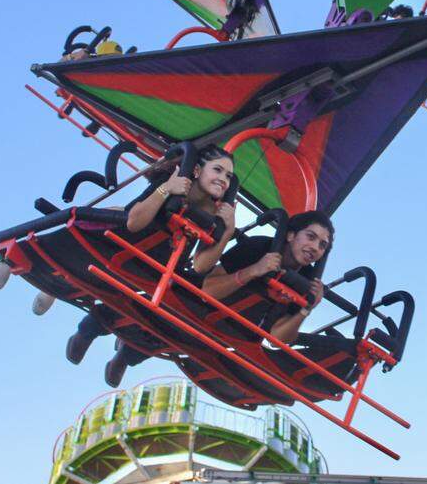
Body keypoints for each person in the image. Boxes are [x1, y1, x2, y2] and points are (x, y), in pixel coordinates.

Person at [65, 145, 238, 386]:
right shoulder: (174, 183)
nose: (222, 179)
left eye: (228, 176)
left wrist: (227, 231)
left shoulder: (214, 212)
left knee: (168, 311)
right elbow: (133, 222)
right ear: (197, 170)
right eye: (218, 170)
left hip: (161, 266)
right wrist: (166, 189)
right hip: (128, 244)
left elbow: (201, 265)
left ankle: (125, 356)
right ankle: (86, 332)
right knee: (124, 292)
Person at [201, 211, 333, 344]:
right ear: (290, 235)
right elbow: (207, 290)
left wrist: (307, 308)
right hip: (203, 312)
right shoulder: (258, 246)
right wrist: (254, 270)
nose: (315, 248)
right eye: (311, 237)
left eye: (322, 245)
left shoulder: (307, 281)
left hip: (243, 338)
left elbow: (278, 338)